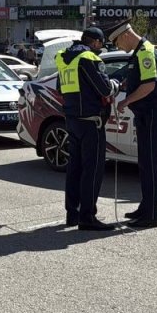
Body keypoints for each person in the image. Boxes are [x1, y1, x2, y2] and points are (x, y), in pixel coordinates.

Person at [56, 27, 120, 230]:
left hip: (72, 119)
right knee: (92, 170)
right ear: (95, 42)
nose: (101, 48)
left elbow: (60, 88)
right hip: (92, 121)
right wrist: (116, 84)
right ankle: (88, 217)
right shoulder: (88, 58)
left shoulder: (65, 58)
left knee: (74, 168)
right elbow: (104, 88)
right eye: (101, 44)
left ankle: (72, 214)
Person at [106, 19, 157, 229]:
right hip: (144, 115)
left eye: (116, 43)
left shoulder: (146, 52)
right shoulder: (138, 53)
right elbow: (138, 79)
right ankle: (145, 207)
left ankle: (152, 215)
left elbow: (149, 85)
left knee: (150, 165)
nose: (118, 48)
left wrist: (126, 100)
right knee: (144, 164)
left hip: (151, 114)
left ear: (124, 35)